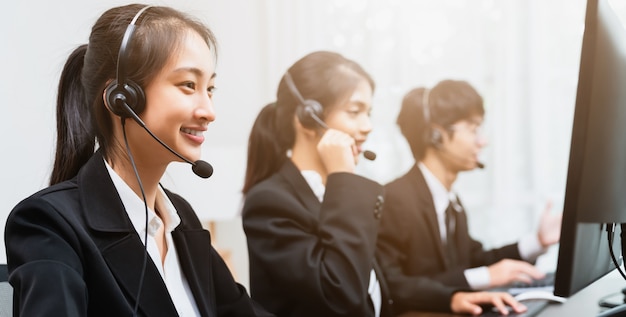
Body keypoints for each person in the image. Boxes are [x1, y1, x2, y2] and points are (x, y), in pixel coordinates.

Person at [4, 4, 273, 316]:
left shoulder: (180, 218)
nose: (209, 111)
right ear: (122, 98)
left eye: (209, 88)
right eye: (188, 85)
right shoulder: (48, 223)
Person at [376, 79, 562, 314]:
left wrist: (536, 242)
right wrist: (484, 277)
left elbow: (472, 260)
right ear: (437, 135)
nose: (482, 141)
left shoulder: (451, 203)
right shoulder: (395, 198)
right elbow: (393, 284)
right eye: (473, 129)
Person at [241, 51, 394, 317]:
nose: (367, 126)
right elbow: (340, 294)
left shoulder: (336, 195)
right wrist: (343, 179)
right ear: (308, 117)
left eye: (368, 112)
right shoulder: (269, 202)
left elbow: (370, 284)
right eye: (354, 112)